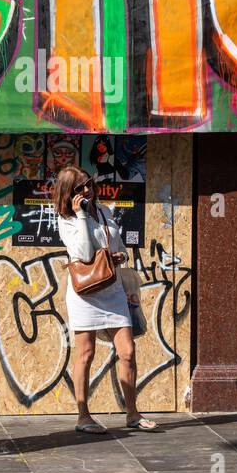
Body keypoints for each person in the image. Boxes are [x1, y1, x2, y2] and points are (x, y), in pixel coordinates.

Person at [54, 164, 157, 433]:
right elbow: (86, 254)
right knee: (86, 353)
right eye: (79, 188)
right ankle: (83, 416)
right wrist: (80, 215)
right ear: (69, 193)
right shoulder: (66, 219)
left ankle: (132, 413)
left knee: (128, 351)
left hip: (111, 289)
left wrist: (120, 255)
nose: (87, 190)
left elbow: (118, 247)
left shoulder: (104, 211)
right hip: (84, 294)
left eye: (88, 183)